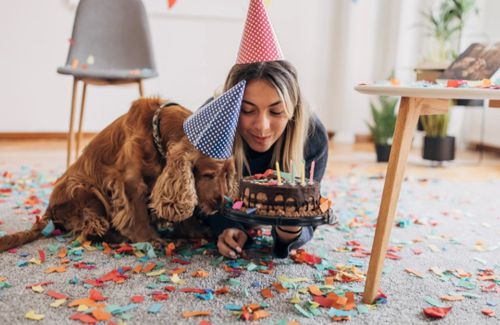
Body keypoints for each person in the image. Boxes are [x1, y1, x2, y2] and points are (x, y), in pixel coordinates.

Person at [205, 60, 329, 259]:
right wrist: (228, 225)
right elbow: (202, 195)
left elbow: (308, 212)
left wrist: (291, 233)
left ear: (292, 110)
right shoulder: (211, 124)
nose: (262, 126)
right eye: (247, 110)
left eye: (276, 111)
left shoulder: (312, 136)